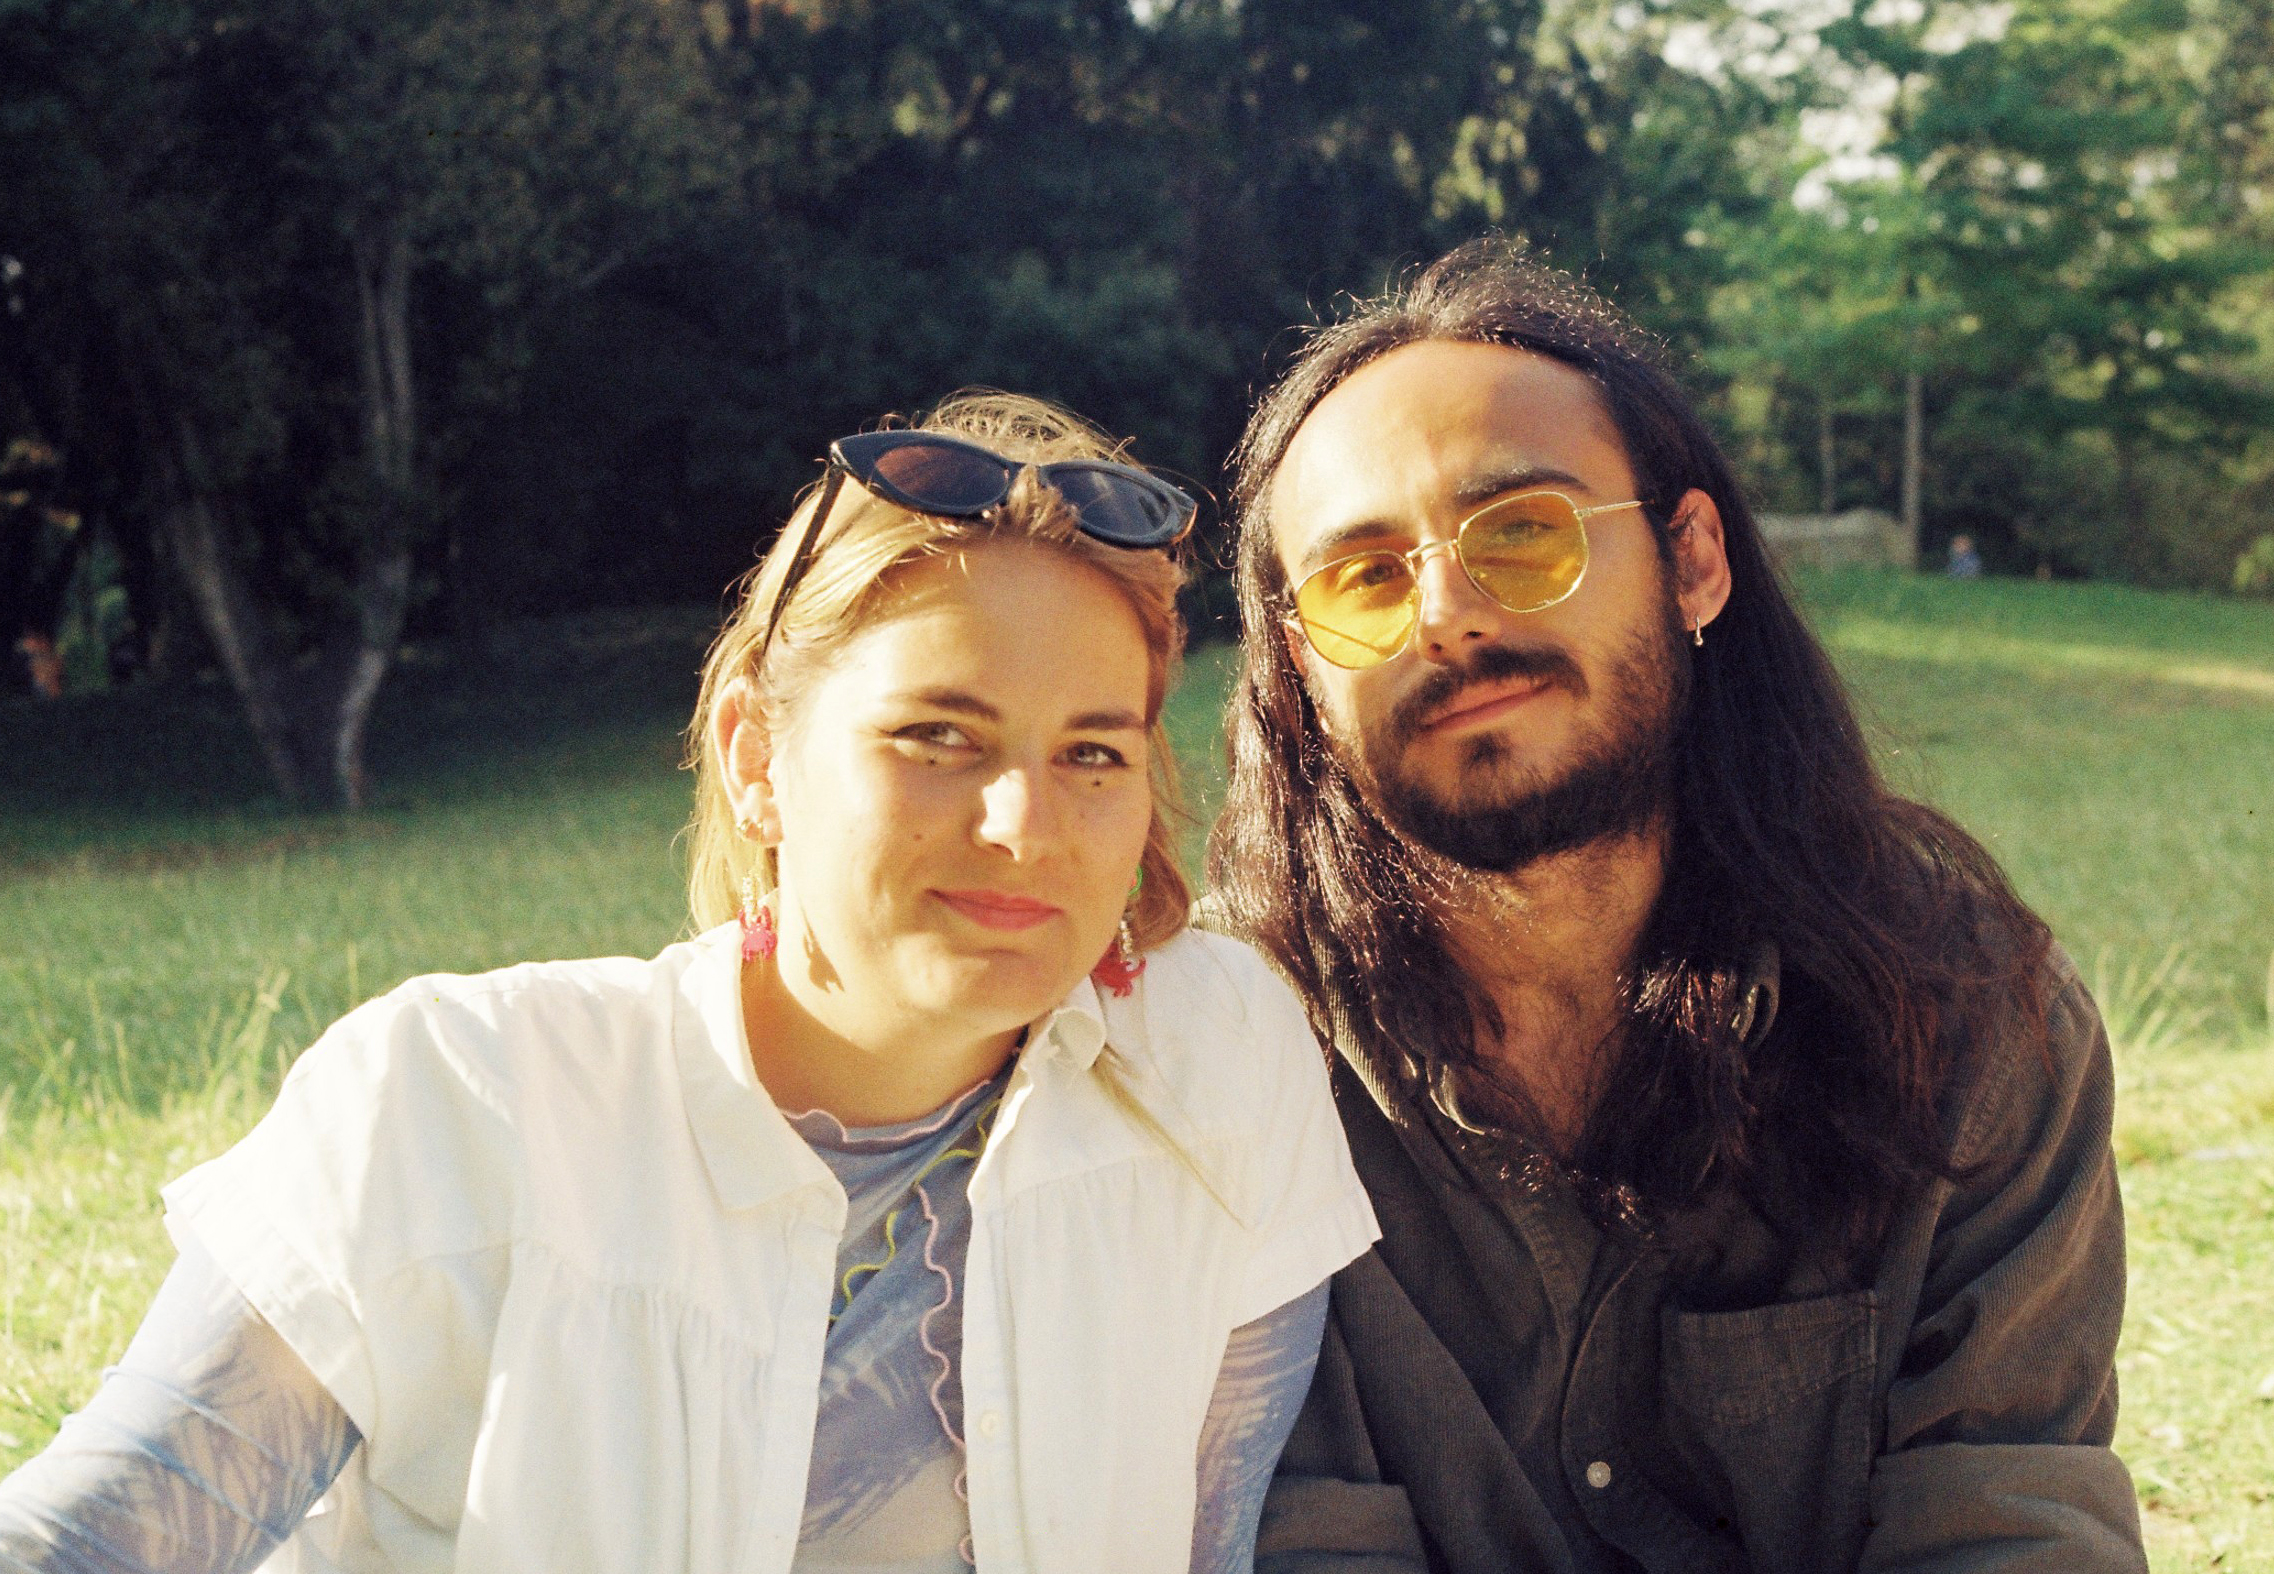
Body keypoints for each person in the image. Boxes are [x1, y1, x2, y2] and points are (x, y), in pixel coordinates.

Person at [0, 393, 1380, 1574]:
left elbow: (1214, 1532)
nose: (1026, 823)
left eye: (1092, 751)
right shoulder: (448, 1107)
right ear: (755, 758)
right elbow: (95, 1536)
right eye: (936, 735)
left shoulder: (1220, 1057)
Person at [1204, 242, 2144, 1572]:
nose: (1444, 615)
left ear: (1691, 560)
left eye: (1521, 534)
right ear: (1299, 673)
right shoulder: (1229, 1066)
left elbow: (2007, 1527)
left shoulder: (1967, 1017)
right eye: (1360, 576)